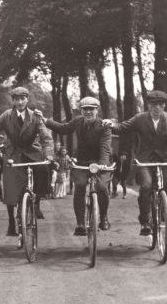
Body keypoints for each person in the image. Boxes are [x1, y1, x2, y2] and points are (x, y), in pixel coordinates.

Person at [0, 86, 54, 248]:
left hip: (32, 151)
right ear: (13, 101)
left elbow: (46, 137)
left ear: (27, 99)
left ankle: (36, 201)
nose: (20, 102)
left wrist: (49, 154)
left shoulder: (35, 116)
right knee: (10, 186)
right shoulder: (7, 116)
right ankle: (11, 220)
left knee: (43, 168)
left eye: (23, 98)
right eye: (16, 99)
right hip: (13, 153)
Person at [104, 90, 167, 236]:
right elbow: (123, 127)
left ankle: (164, 208)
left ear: (164, 106)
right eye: (153, 104)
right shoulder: (140, 119)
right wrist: (111, 124)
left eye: (160, 104)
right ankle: (145, 221)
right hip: (144, 159)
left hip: (165, 158)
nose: (157, 108)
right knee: (146, 186)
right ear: (148, 105)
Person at [34, 97, 112, 235]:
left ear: (97, 110)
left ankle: (104, 217)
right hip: (82, 162)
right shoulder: (77, 121)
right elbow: (63, 128)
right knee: (80, 186)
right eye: (85, 109)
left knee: (101, 187)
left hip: (100, 162)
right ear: (81, 111)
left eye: (91, 109)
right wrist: (45, 120)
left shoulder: (104, 126)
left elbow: (105, 148)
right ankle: (80, 223)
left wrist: (101, 165)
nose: (88, 112)